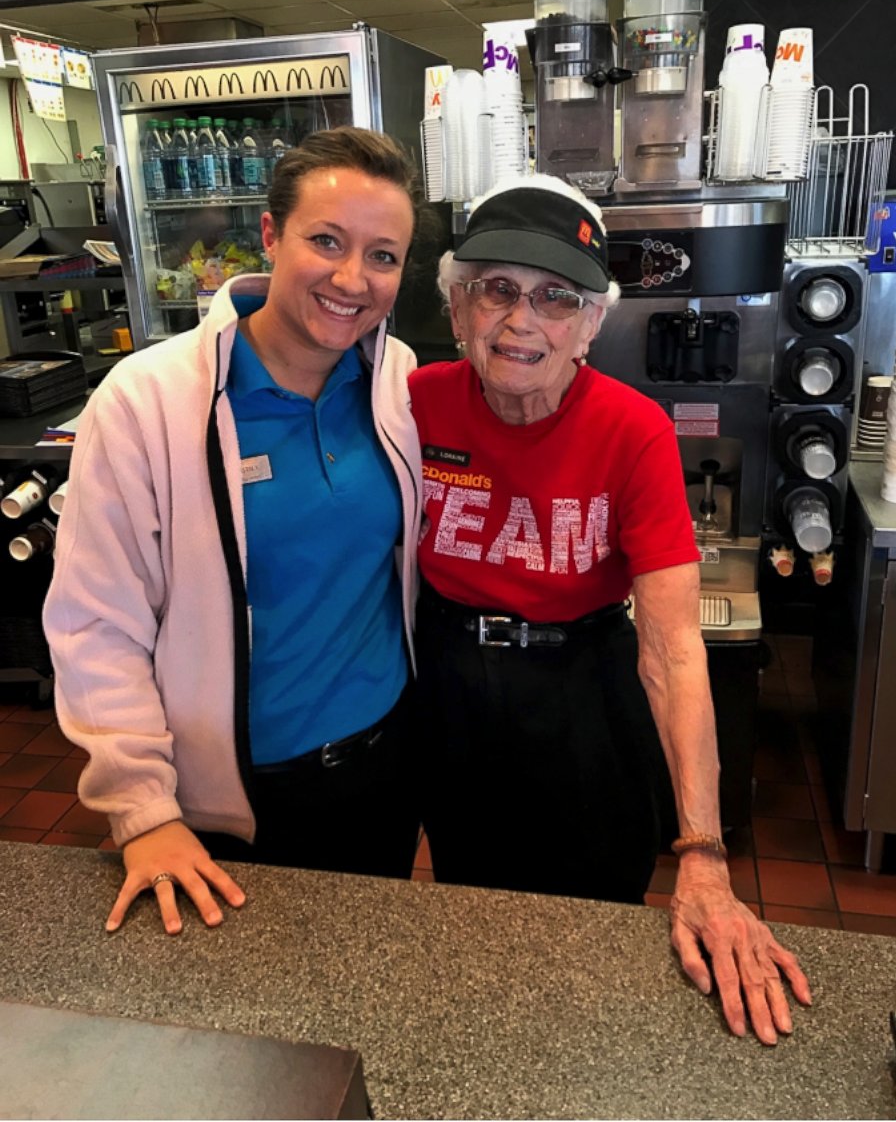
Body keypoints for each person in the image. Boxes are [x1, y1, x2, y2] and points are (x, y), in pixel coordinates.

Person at [409, 173, 812, 1045]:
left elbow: (670, 648)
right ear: (455, 305)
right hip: (449, 690)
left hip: (582, 694)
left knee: (597, 925)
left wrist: (702, 855)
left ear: (592, 324)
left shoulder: (631, 429)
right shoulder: (411, 403)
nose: (522, 321)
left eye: (557, 297)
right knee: (472, 915)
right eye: (497, 290)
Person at [43, 126, 425, 936]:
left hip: (385, 769)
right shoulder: (149, 399)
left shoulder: (396, 381)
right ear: (268, 236)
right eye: (326, 241)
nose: (353, 279)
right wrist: (142, 809)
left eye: (383, 256)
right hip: (234, 803)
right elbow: (93, 622)